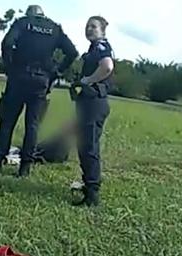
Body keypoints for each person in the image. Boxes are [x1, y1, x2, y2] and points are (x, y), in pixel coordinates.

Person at [0, 4, 79, 178]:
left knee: (7, 122)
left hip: (18, 78)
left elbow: (7, 43)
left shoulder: (22, 23)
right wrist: (56, 72)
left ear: (30, 14)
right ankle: (24, 168)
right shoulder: (54, 28)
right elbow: (72, 52)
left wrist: (10, 66)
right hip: (41, 81)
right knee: (33, 126)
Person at [71, 16, 115, 207]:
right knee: (86, 145)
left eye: (94, 27)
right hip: (90, 102)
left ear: (103, 30)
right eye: (87, 26)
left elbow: (107, 66)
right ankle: (89, 186)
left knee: (89, 147)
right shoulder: (93, 48)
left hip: (95, 103)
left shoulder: (101, 46)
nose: (89, 29)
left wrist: (88, 80)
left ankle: (92, 194)